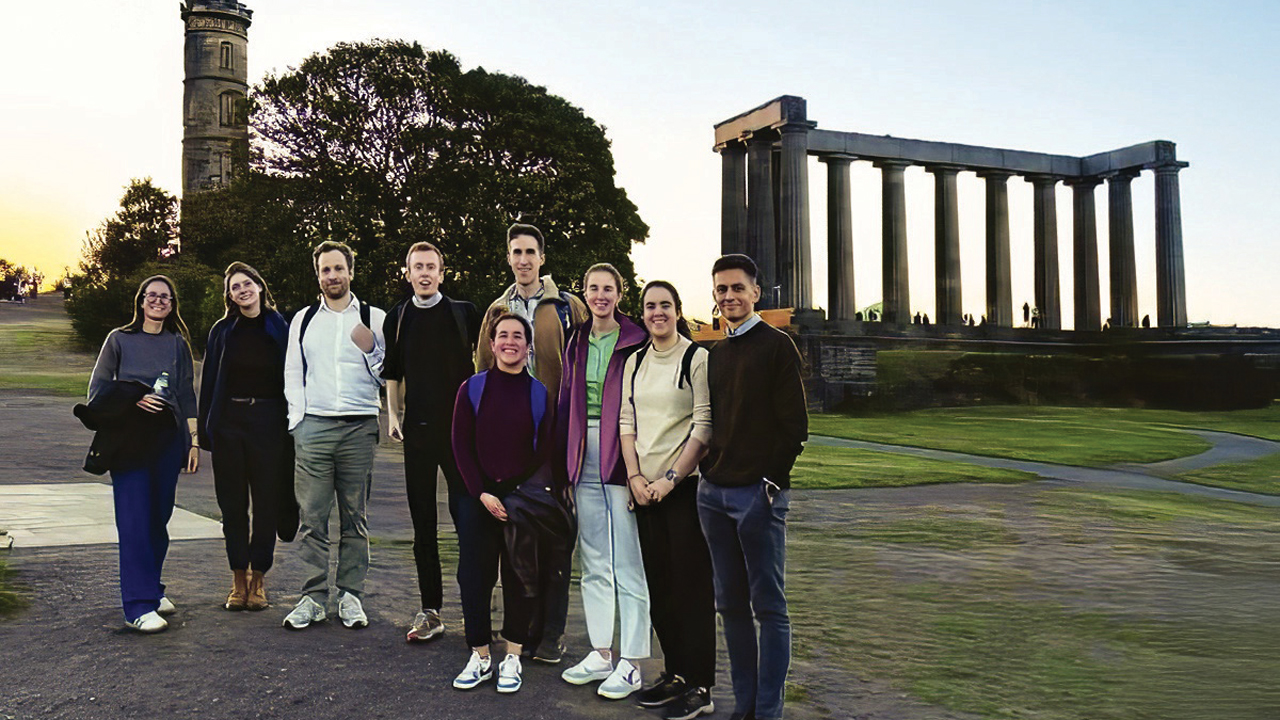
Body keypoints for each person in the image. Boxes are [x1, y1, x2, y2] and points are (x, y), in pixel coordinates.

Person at [700, 254, 807, 720]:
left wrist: (770, 483)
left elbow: (794, 428)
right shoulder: (716, 353)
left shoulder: (778, 346)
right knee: (730, 607)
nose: (729, 297)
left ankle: (768, 710)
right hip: (714, 494)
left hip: (757, 496)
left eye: (737, 288)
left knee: (769, 607)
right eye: (722, 290)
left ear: (756, 292)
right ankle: (743, 706)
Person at [475, 222, 587, 662]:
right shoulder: (497, 309)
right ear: (508, 257)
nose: (523, 259)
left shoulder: (567, 308)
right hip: (512, 447)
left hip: (557, 438)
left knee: (558, 538)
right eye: (516, 252)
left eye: (531, 252)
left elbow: (581, 370)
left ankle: (551, 633)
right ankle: (520, 629)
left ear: (542, 257)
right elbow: (482, 375)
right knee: (517, 542)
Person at [450, 312, 568, 694]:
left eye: (518, 336)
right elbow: (460, 446)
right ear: (491, 343)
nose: (510, 341)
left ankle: (513, 654)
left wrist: (508, 492)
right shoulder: (472, 388)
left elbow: (543, 448)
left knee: (520, 576)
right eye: (503, 335)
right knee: (475, 576)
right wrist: (482, 492)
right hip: (477, 498)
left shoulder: (539, 393)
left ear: (528, 345)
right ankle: (481, 655)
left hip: (520, 500)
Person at [619, 281, 717, 720]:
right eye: (650, 305)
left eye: (665, 305)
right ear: (642, 313)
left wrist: (671, 479)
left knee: (690, 588)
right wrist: (636, 477)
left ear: (678, 310)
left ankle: (701, 685)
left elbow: (703, 426)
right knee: (659, 586)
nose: (658, 312)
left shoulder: (697, 358)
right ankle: (675, 672)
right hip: (644, 491)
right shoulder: (635, 361)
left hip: (683, 490)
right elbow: (627, 422)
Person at [281, 240, 387, 630]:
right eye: (325, 270)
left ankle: (350, 596)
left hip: (359, 426)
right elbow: (293, 372)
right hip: (314, 428)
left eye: (338, 268)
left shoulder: (374, 317)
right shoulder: (304, 319)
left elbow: (385, 374)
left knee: (355, 517)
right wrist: (298, 421)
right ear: (318, 275)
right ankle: (312, 596)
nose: (332, 276)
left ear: (351, 271)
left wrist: (372, 349)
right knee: (312, 517)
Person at [557, 263, 651, 700]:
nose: (600, 295)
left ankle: (632, 662)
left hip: (622, 451)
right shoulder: (576, 338)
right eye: (593, 288)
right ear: (585, 292)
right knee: (593, 559)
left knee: (627, 560)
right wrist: (565, 467)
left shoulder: (636, 338)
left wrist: (640, 468)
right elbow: (565, 402)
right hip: (582, 454)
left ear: (619, 293)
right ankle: (601, 652)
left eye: (608, 289)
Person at [87, 275, 200, 633]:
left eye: (165, 297)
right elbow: (98, 391)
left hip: (168, 440)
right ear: (141, 301)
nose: (158, 301)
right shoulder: (119, 339)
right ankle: (136, 606)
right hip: (129, 440)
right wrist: (134, 397)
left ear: (172, 304)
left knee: (157, 520)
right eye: (152, 295)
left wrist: (192, 441)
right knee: (134, 521)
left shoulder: (177, 343)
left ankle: (151, 588)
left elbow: (185, 393)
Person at [382, 241, 480, 642]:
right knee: (423, 526)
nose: (424, 273)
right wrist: (392, 413)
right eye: (417, 267)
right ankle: (431, 612)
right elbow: (393, 371)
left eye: (431, 266)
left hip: (459, 433)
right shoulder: (398, 318)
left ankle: (476, 612)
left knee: (469, 522)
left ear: (442, 272)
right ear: (407, 273)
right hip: (417, 433)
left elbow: (486, 363)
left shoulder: (464, 313)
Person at [198, 262, 290, 612]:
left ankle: (259, 578)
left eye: (247, 283)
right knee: (232, 505)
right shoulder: (223, 330)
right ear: (230, 296)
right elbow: (209, 380)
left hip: (269, 421)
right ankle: (238, 579)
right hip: (229, 423)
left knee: (266, 503)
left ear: (260, 286)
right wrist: (207, 429)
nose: (243, 290)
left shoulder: (280, 326)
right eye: (236, 287)